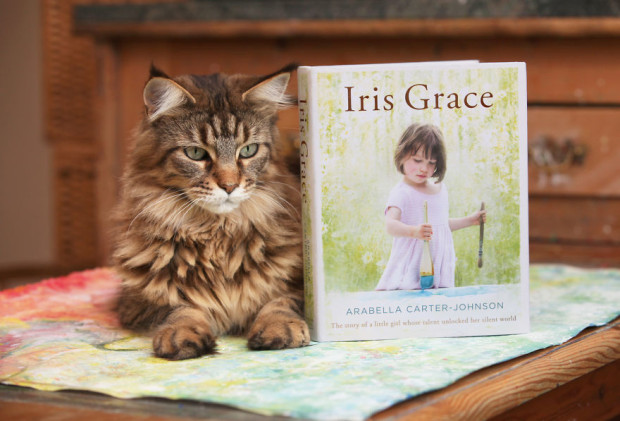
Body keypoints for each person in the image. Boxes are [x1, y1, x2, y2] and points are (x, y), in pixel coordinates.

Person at [375, 123, 486, 290]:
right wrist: (414, 231)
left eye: (431, 162)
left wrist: (470, 220)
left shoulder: (440, 189)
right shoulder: (402, 193)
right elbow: (390, 225)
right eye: (417, 160)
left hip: (438, 271)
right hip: (410, 273)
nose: (424, 168)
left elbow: (440, 226)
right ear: (402, 155)